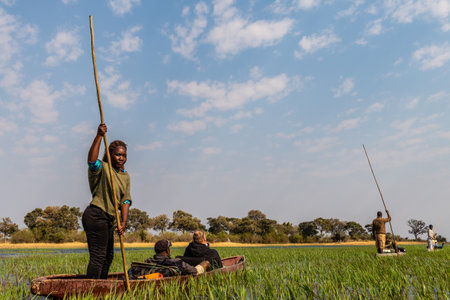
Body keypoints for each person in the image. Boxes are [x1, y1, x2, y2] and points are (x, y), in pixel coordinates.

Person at [82, 123, 132, 279]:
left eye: (123, 155)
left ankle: (101, 287)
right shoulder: (102, 168)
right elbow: (91, 161)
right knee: (98, 257)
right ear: (110, 155)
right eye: (118, 155)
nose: (121, 158)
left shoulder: (125, 176)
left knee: (108, 257)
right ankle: (90, 290)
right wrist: (98, 135)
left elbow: (125, 201)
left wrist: (123, 223)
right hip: (96, 215)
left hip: (109, 218)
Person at [128, 239, 209, 279]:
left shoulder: (147, 262)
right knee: (205, 263)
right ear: (167, 250)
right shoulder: (176, 262)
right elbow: (194, 271)